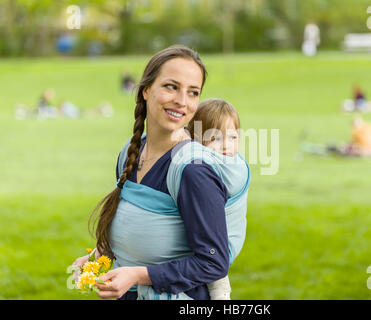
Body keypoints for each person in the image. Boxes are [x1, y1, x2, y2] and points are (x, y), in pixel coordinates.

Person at [71, 45, 250, 300]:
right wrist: (96, 258)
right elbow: (133, 229)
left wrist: (138, 275)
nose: (182, 101)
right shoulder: (131, 151)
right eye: (171, 86)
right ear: (146, 89)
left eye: (193, 92)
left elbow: (213, 263)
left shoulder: (192, 170)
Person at [186, 98, 249, 299]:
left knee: (216, 279)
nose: (226, 146)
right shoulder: (205, 161)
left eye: (232, 137)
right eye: (215, 138)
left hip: (223, 244)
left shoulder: (231, 167)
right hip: (213, 241)